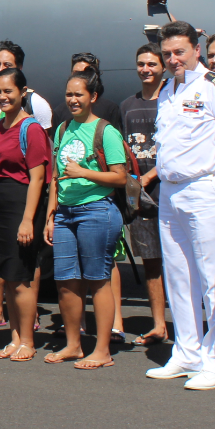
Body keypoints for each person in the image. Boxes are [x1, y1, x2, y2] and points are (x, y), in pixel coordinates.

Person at [145, 20, 215, 390]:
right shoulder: (167, 89)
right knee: (179, 277)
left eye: (179, 52)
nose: (172, 59)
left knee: (214, 278)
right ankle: (186, 352)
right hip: (171, 190)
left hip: (205, 188)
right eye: (167, 54)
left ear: (197, 50)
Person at [44, 71, 127, 368]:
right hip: (65, 213)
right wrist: (51, 215)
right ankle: (73, 345)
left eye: (79, 94)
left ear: (93, 97)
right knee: (66, 281)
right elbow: (55, 176)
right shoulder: (63, 128)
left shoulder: (106, 131)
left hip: (97, 210)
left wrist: (85, 173)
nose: (73, 99)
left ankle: (102, 350)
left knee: (97, 280)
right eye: (69, 94)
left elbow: (120, 177)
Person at [0, 40, 52, 331]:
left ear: (22, 92)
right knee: (6, 275)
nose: (3, 97)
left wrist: (29, 220)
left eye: (8, 91)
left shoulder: (30, 127)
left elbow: (38, 177)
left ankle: (27, 340)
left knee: (22, 278)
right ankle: (15, 337)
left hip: (20, 206)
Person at [119, 44, 168, 345]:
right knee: (151, 261)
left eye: (152, 63)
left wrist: (148, 177)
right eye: (141, 64)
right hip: (141, 198)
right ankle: (159, 325)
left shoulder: (172, 102)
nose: (146, 69)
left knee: (183, 263)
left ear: (163, 67)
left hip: (168, 192)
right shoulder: (128, 106)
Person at [50, 52, 123, 131]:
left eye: (85, 73)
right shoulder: (60, 112)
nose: (80, 77)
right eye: (76, 73)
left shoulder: (110, 109)